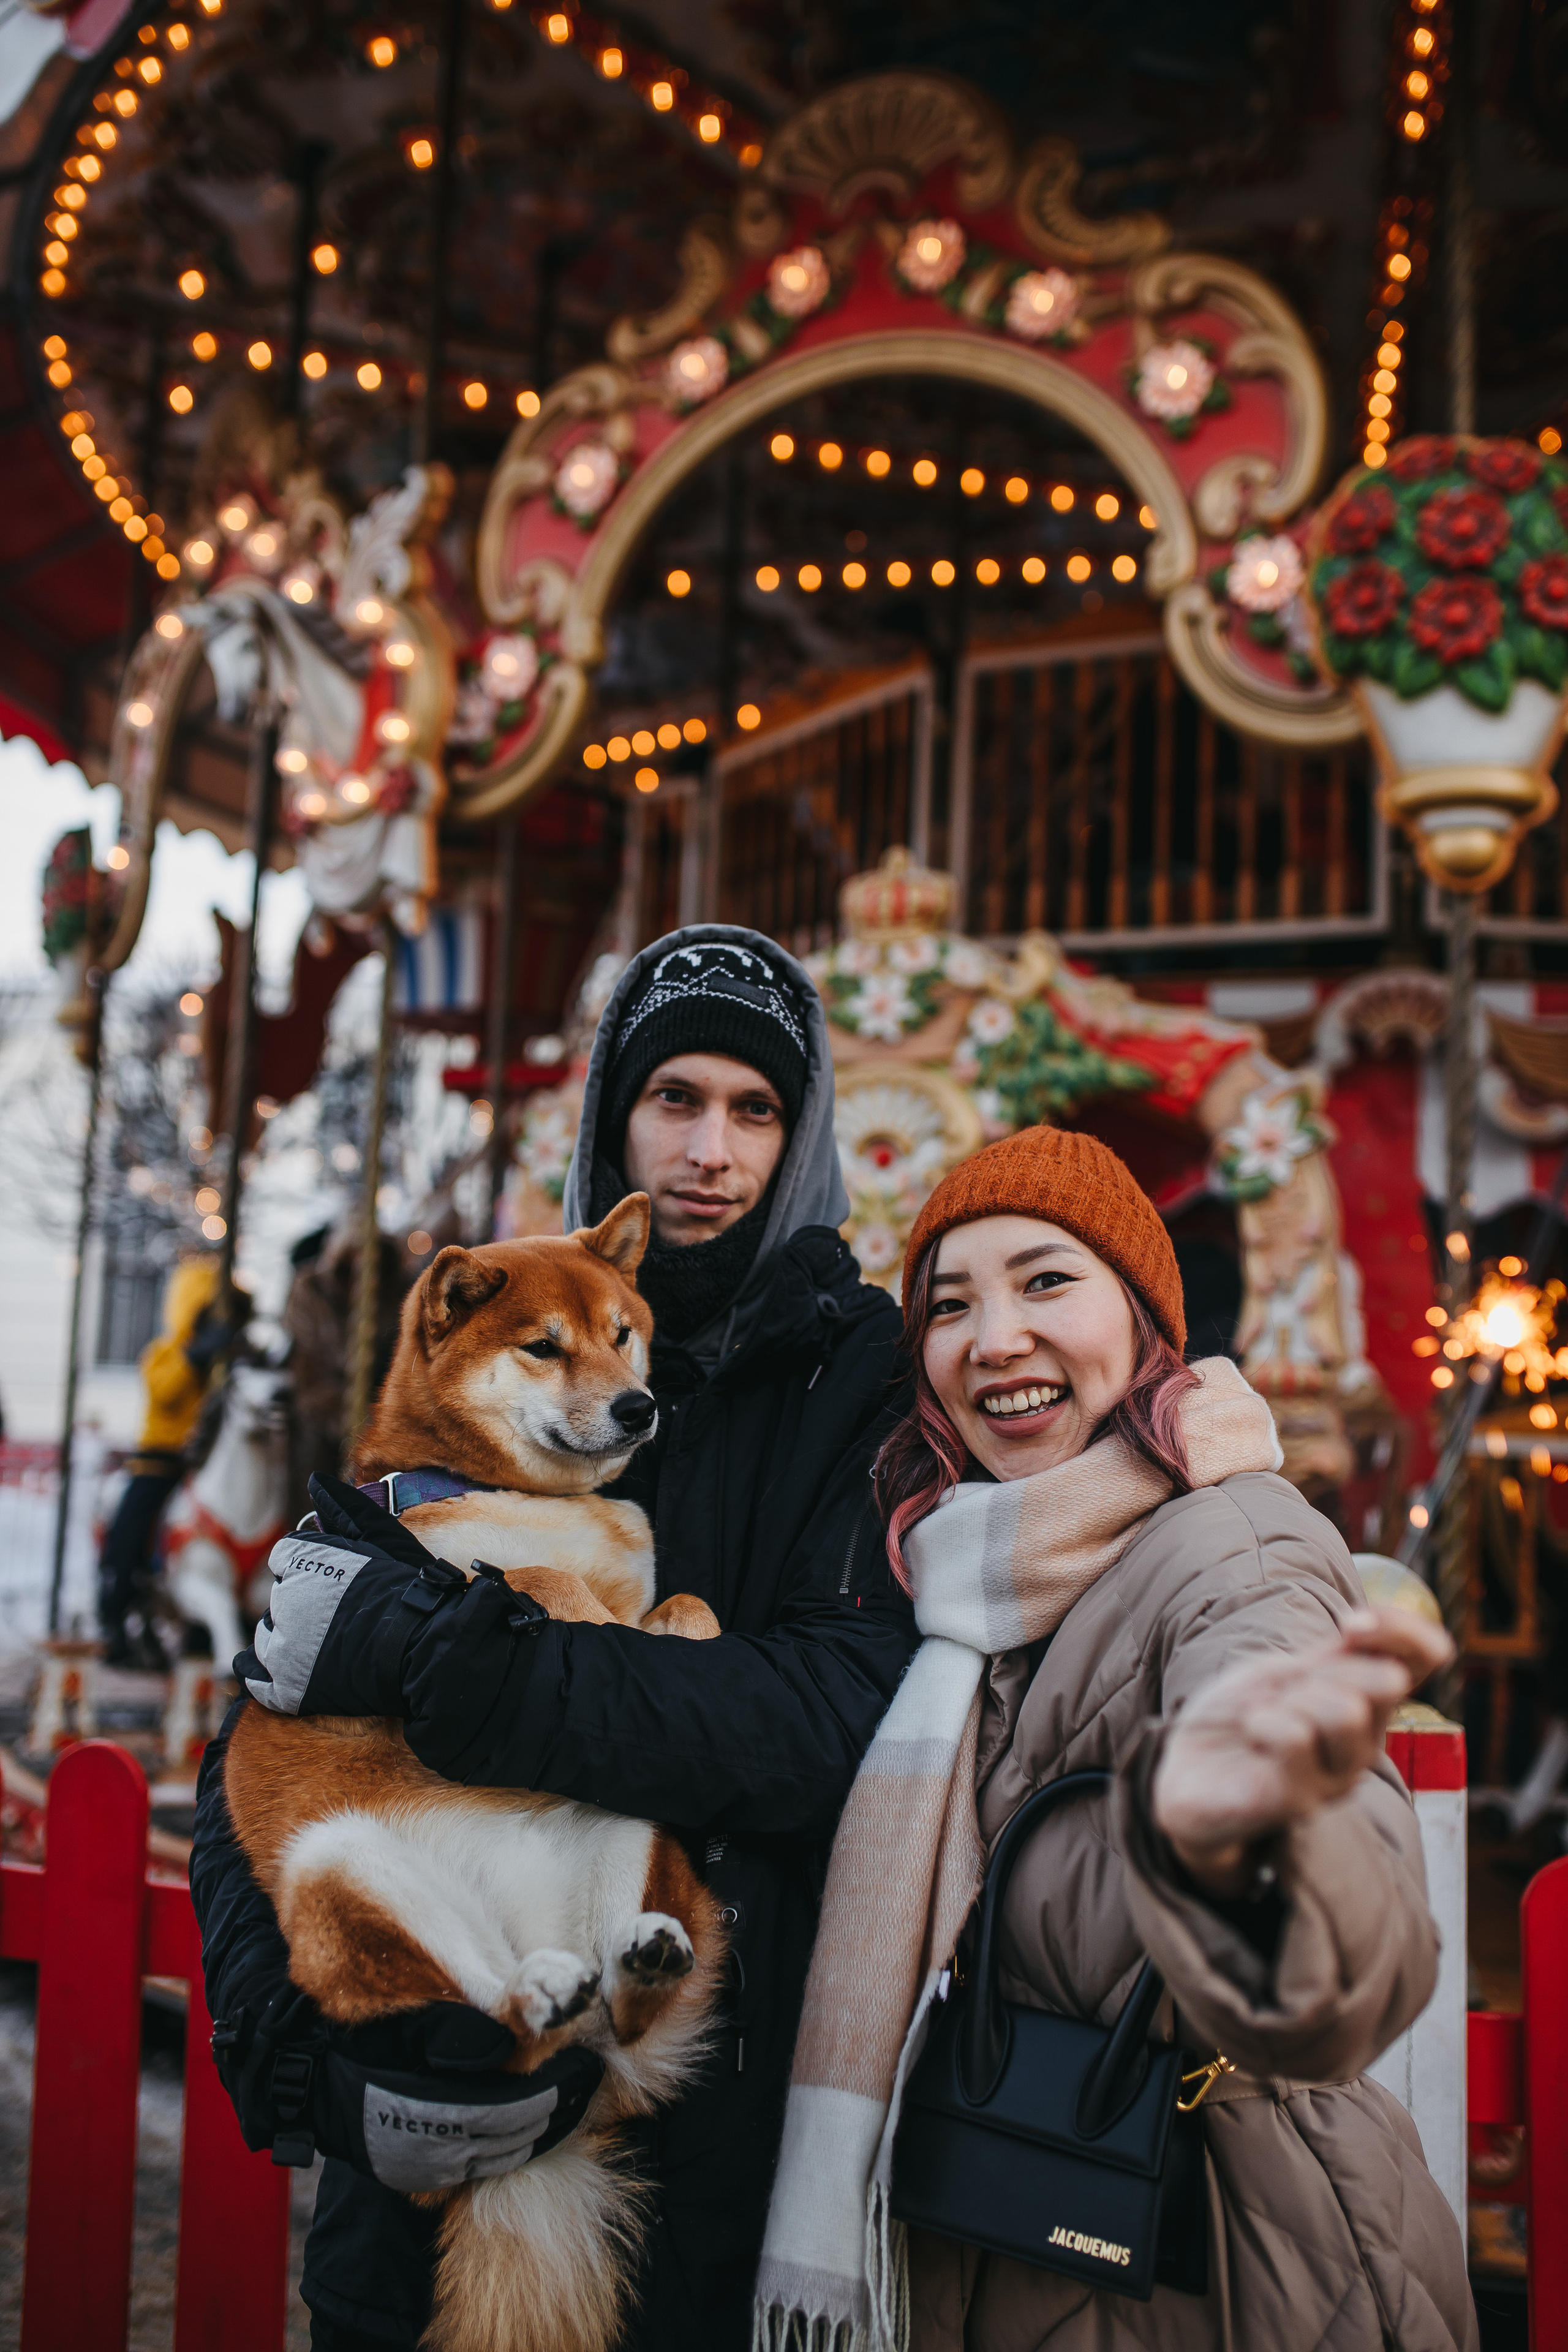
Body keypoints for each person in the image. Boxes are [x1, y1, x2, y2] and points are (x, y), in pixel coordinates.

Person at [190, 927, 919, 2352]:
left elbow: (823, 1719)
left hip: (706, 2161)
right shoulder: (466, 1369)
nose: (707, 1146)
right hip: (426, 2117)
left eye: (753, 1107)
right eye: (673, 1098)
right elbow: (267, 1749)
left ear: (801, 1129)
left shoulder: (861, 1376)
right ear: (611, 1114)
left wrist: (464, 1665)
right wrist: (307, 2065)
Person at [755, 1123, 1475, 2352]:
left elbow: (1339, 1943)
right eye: (947, 1305)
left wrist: (1249, 1848)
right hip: (1018, 2240)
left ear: (1144, 1321)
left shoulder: (1231, 1547)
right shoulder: (967, 1584)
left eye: (1045, 1280)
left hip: (1229, 2260)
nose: (993, 1341)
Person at [98, 1253, 246, 1666]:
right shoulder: (164, 1353)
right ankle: (116, 1604)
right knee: (133, 1523)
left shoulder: (225, 1362)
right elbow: (165, 1392)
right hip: (159, 1461)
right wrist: (196, 1356)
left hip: (203, 1463)